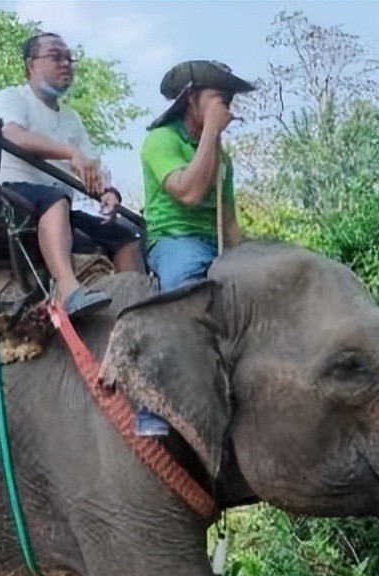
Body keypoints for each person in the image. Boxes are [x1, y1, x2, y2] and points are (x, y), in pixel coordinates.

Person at [136, 60, 256, 436]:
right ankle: (152, 404)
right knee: (184, 289)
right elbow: (187, 191)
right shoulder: (162, 140)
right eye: (219, 99)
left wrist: (245, 261)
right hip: (175, 241)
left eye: (230, 101)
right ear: (191, 99)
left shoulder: (224, 159)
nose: (227, 109)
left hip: (214, 242)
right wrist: (211, 137)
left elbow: (229, 220)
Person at [0, 32, 143, 317]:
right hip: (9, 195)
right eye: (55, 56)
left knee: (126, 235)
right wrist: (70, 153)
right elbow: (12, 134)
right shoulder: (12, 97)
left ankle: (137, 308)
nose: (66, 64)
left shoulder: (72, 117)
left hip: (55, 208)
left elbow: (92, 166)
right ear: (29, 66)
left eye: (69, 58)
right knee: (56, 200)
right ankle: (68, 289)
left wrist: (108, 192)